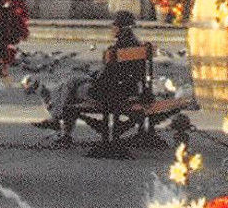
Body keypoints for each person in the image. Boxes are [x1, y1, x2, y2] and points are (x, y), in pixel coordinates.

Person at [29, 11, 147, 144]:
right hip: (129, 91)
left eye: (114, 26)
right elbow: (115, 73)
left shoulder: (115, 50)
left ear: (119, 28)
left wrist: (92, 77)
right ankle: (57, 121)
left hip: (108, 94)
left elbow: (106, 77)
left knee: (70, 89)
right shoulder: (137, 46)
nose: (112, 29)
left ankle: (59, 124)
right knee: (72, 82)